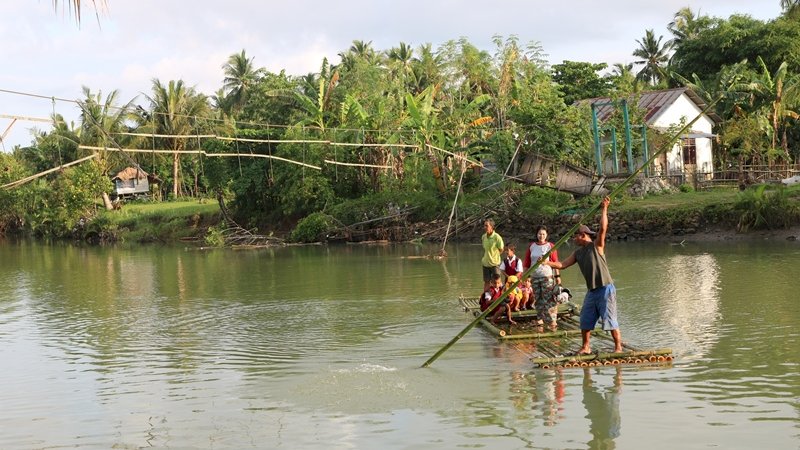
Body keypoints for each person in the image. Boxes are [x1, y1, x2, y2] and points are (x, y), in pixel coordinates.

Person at [541, 197, 622, 353]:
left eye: (575, 236)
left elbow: (603, 228)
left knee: (609, 319)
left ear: (583, 235)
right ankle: (586, 347)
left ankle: (618, 347)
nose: (573, 239)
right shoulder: (577, 253)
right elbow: (562, 265)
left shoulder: (596, 246)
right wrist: (546, 263)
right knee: (585, 319)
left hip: (605, 289)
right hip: (592, 291)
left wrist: (604, 208)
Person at [523, 225, 561, 330]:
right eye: (539, 234)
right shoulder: (532, 246)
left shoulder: (550, 246)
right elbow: (527, 262)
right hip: (535, 277)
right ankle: (540, 318)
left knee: (549, 299)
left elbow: (555, 262)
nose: (541, 236)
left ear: (547, 235)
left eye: (543, 234)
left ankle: (552, 321)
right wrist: (525, 276)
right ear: (536, 234)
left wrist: (557, 276)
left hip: (546, 276)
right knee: (538, 299)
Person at [481, 219, 504, 291]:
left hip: (495, 264)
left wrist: (494, 256)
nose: (485, 227)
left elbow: (501, 249)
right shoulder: (483, 237)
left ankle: (500, 297)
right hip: (485, 263)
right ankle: (486, 298)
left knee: (498, 281)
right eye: (484, 225)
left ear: (491, 227)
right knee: (486, 282)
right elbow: (485, 249)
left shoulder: (497, 237)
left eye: (486, 226)